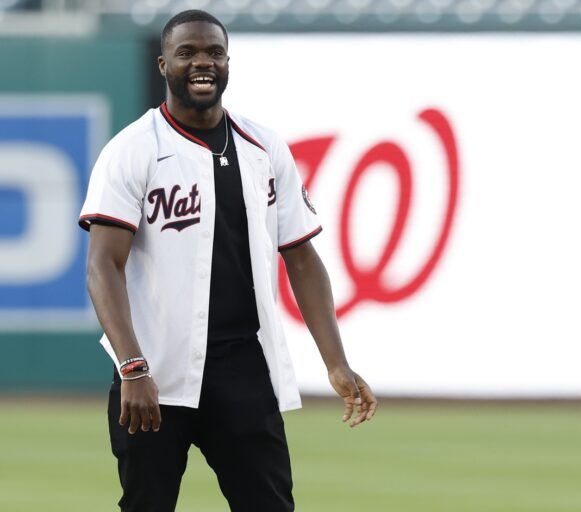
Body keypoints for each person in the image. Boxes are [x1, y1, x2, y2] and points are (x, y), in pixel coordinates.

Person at [79, 9, 377, 512]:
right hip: (156, 371)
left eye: (214, 52)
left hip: (242, 367)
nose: (202, 63)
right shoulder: (132, 150)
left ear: (228, 63)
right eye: (187, 52)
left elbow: (301, 257)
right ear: (163, 65)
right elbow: (102, 265)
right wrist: (132, 368)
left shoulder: (263, 147)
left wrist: (336, 361)